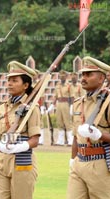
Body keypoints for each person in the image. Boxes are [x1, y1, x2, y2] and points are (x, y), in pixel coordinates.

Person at [0, 61, 41, 199]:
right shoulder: (4, 107)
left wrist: (19, 146)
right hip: (2, 161)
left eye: (14, 80)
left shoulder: (32, 108)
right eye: (9, 80)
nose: (10, 83)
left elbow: (35, 139)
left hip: (22, 161)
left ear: (26, 85)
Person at [67, 56, 110, 199]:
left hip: (99, 162)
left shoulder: (108, 102)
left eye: (89, 74)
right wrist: (73, 160)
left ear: (101, 78)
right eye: (82, 74)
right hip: (79, 162)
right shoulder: (79, 103)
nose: (83, 78)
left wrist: (100, 136)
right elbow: (76, 137)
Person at [48, 70, 73, 146]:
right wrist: (52, 105)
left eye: (63, 76)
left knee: (67, 122)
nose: (62, 78)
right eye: (60, 76)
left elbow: (72, 97)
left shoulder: (69, 85)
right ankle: (60, 141)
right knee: (59, 122)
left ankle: (70, 140)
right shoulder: (57, 85)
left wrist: (72, 106)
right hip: (59, 104)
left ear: (66, 77)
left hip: (66, 104)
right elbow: (55, 96)